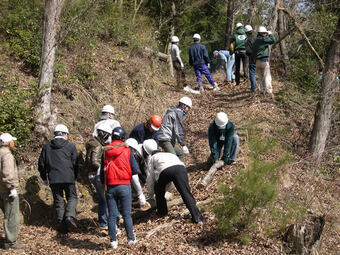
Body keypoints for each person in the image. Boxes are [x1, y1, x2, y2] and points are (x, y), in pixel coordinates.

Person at [101, 127, 146, 249]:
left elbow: (102, 173)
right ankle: (131, 239)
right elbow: (135, 170)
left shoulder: (106, 151)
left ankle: (113, 241)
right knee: (126, 214)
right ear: (122, 138)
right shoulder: (127, 150)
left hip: (110, 186)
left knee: (111, 215)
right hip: (125, 185)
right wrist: (140, 192)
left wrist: (103, 185)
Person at [143, 139, 203, 224]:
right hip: (181, 168)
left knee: (158, 189)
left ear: (149, 153)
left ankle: (162, 212)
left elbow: (150, 178)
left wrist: (151, 193)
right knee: (186, 193)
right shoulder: (168, 154)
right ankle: (197, 218)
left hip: (166, 171)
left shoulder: (152, 158)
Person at [38, 124, 78, 233]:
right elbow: (75, 163)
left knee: (58, 201)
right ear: (64, 134)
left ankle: (61, 224)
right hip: (68, 177)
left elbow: (41, 164)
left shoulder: (46, 147)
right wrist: (75, 175)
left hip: (54, 178)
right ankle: (69, 216)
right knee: (72, 197)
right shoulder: (71, 146)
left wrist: (44, 178)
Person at [85, 122, 113, 229]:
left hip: (92, 174)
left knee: (103, 199)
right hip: (96, 174)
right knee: (105, 199)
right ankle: (105, 222)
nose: (108, 138)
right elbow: (94, 161)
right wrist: (104, 168)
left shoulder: (93, 143)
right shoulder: (97, 145)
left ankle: (104, 222)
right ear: (103, 134)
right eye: (108, 135)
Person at [0, 133, 24, 250]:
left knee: (7, 215)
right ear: (9, 143)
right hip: (7, 190)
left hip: (0, 189)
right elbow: (7, 173)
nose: (13, 143)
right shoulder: (7, 155)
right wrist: (12, 187)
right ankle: (10, 242)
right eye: (12, 141)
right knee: (11, 216)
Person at [158, 96, 192, 161]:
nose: (188, 110)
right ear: (183, 105)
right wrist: (183, 145)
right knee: (173, 157)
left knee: (180, 153)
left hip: (168, 138)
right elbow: (179, 130)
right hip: (164, 138)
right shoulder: (178, 113)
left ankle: (180, 169)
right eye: (188, 108)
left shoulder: (174, 111)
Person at [252, 26, 275, 99]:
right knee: (267, 77)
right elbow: (272, 40)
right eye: (265, 33)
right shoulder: (262, 40)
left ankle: (261, 91)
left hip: (257, 61)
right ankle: (269, 91)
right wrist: (270, 34)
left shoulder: (256, 40)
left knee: (260, 77)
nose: (266, 34)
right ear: (262, 33)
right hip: (264, 61)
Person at [245, 25, 256, 93]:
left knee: (252, 73)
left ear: (246, 32)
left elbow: (248, 51)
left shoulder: (247, 40)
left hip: (252, 58)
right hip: (258, 58)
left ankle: (253, 88)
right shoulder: (256, 38)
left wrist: (248, 54)